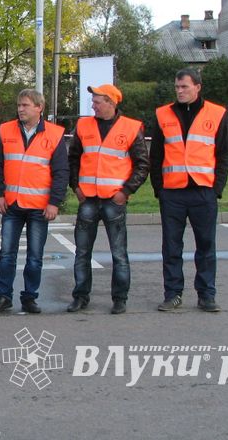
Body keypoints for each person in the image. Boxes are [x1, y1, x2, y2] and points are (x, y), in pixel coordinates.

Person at [151, 68, 228, 313]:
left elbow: (223, 153)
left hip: (203, 191)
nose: (180, 91)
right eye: (177, 87)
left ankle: (206, 295)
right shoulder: (163, 114)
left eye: (184, 87)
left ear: (198, 87)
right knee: (171, 247)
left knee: (206, 246)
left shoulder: (216, 114)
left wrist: (216, 188)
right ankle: (173, 294)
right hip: (172, 192)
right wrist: (159, 189)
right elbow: (156, 155)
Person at [66, 84, 149, 315]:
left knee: (118, 253)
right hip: (88, 199)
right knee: (82, 252)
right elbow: (73, 158)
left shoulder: (131, 128)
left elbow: (142, 164)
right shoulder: (84, 125)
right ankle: (81, 296)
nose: (93, 105)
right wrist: (76, 187)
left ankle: (120, 298)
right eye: (93, 101)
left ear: (111, 103)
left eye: (98, 101)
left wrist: (126, 192)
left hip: (114, 199)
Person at [0, 89, 69, 315]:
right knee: (6, 254)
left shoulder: (54, 134)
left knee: (35, 257)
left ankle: (29, 297)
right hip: (11, 204)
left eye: (25, 105)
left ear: (38, 108)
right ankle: (3, 297)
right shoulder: (6, 130)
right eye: (19, 105)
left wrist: (54, 202)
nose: (20, 109)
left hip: (40, 207)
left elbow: (61, 172)